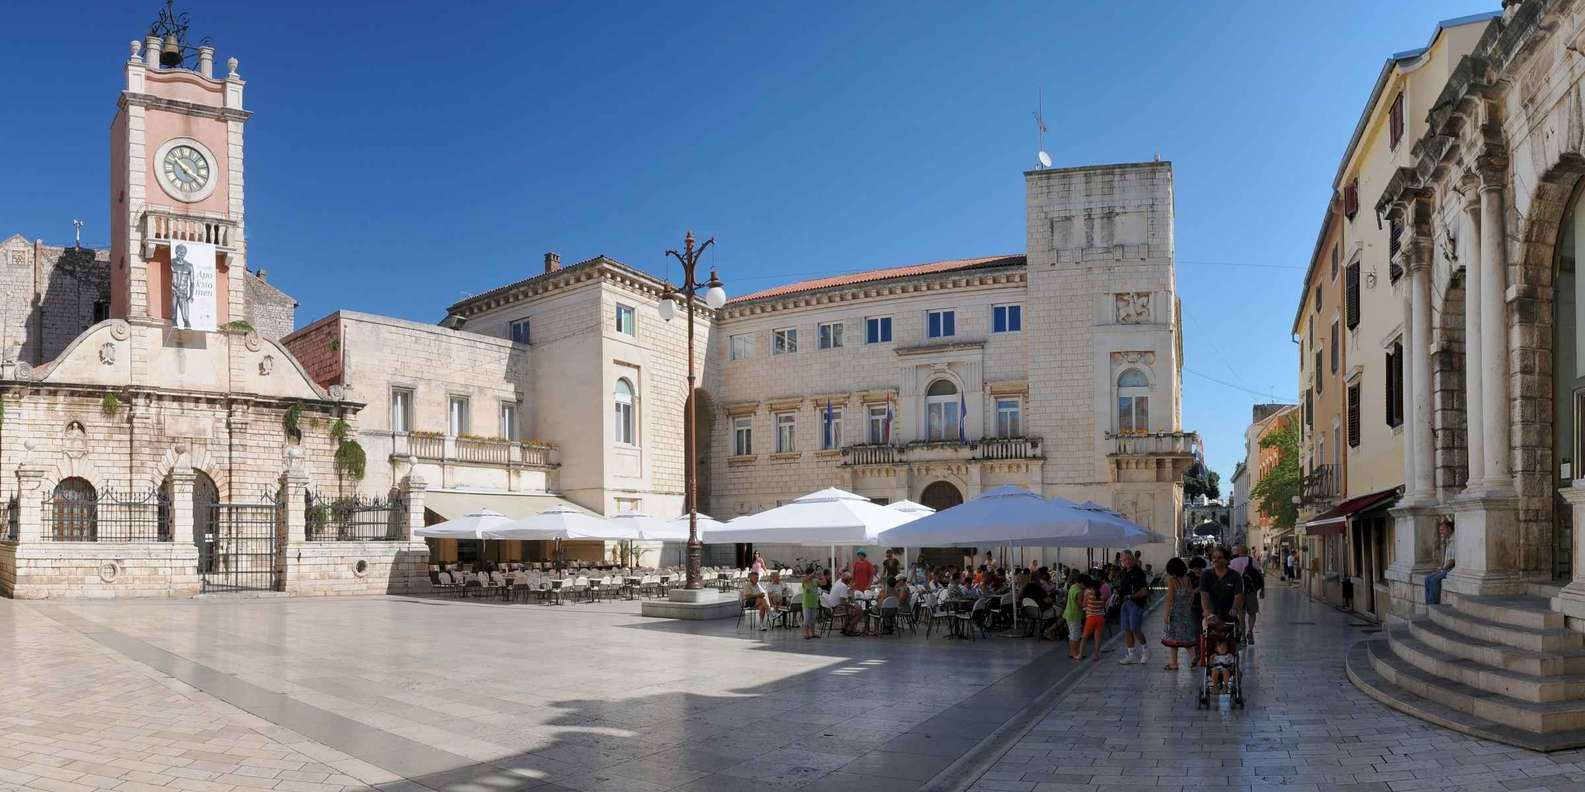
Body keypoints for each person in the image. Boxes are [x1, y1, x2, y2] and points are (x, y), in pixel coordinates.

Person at [1159, 557, 1197, 670]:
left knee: (1172, 638)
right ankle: (1193, 656)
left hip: (1175, 613)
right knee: (1187, 637)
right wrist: (1187, 607)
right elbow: (1192, 595)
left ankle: (1173, 663)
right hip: (1186, 612)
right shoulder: (1187, 579)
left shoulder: (1172, 580)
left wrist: (1166, 615)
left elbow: (1169, 599)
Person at [1115, 552, 1151, 665]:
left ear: (1133, 559)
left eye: (1128, 559)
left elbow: (1144, 591)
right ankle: (1131, 655)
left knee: (1135, 628)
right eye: (1124, 560)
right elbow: (1123, 587)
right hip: (1125, 603)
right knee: (1127, 629)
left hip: (1136, 603)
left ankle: (1146, 650)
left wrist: (1132, 596)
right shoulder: (1124, 572)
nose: (1126, 562)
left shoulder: (1138, 572)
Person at [1227, 543, 1265, 645]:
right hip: (1251, 591)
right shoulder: (1252, 561)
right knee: (1252, 613)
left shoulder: (1233, 562)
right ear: (1247, 551)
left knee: (1241, 615)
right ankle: (1250, 632)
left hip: (1238, 593)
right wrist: (1262, 589)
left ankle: (1243, 637)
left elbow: (1229, 577)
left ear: (1238, 552)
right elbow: (1260, 574)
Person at [1199, 546, 1245, 628]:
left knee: (1230, 637)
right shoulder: (1206, 575)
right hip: (1211, 615)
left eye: (1220, 558)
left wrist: (1234, 608)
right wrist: (1206, 610)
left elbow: (1238, 596)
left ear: (1227, 560)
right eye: (1213, 557)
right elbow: (1204, 595)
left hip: (1229, 614)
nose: (1216, 560)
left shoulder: (1235, 576)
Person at [1425, 519, 1456, 605]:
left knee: (1434, 579)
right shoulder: (1447, 540)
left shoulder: (1454, 540)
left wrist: (1442, 569)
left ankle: (1434, 605)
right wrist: (1442, 568)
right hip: (1446, 568)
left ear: (1449, 528)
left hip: (1452, 569)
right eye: (1440, 530)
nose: (1441, 532)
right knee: (1427, 578)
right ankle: (1429, 605)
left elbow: (1453, 560)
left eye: (1442, 530)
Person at [1077, 576, 1107, 663]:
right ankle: (1096, 655)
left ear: (1091, 587)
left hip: (1091, 618)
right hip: (1100, 618)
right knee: (1097, 637)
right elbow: (1102, 607)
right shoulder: (1102, 596)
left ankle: (1080, 655)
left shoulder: (1088, 595)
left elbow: (1083, 605)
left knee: (1084, 637)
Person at [1064, 571, 1086, 660]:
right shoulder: (1079, 591)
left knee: (1072, 634)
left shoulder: (1073, 587)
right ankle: (1075, 653)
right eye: (1085, 585)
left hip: (1068, 614)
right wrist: (1087, 605)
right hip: (1075, 615)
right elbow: (1080, 605)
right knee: (1075, 635)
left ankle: (1072, 652)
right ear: (1081, 583)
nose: (1085, 587)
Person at [801, 565, 821, 640]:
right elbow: (806, 579)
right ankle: (806, 633)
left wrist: (821, 575)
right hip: (806, 603)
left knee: (813, 619)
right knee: (806, 620)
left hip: (814, 603)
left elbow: (824, 583)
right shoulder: (805, 581)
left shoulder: (815, 581)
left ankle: (813, 633)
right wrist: (813, 573)